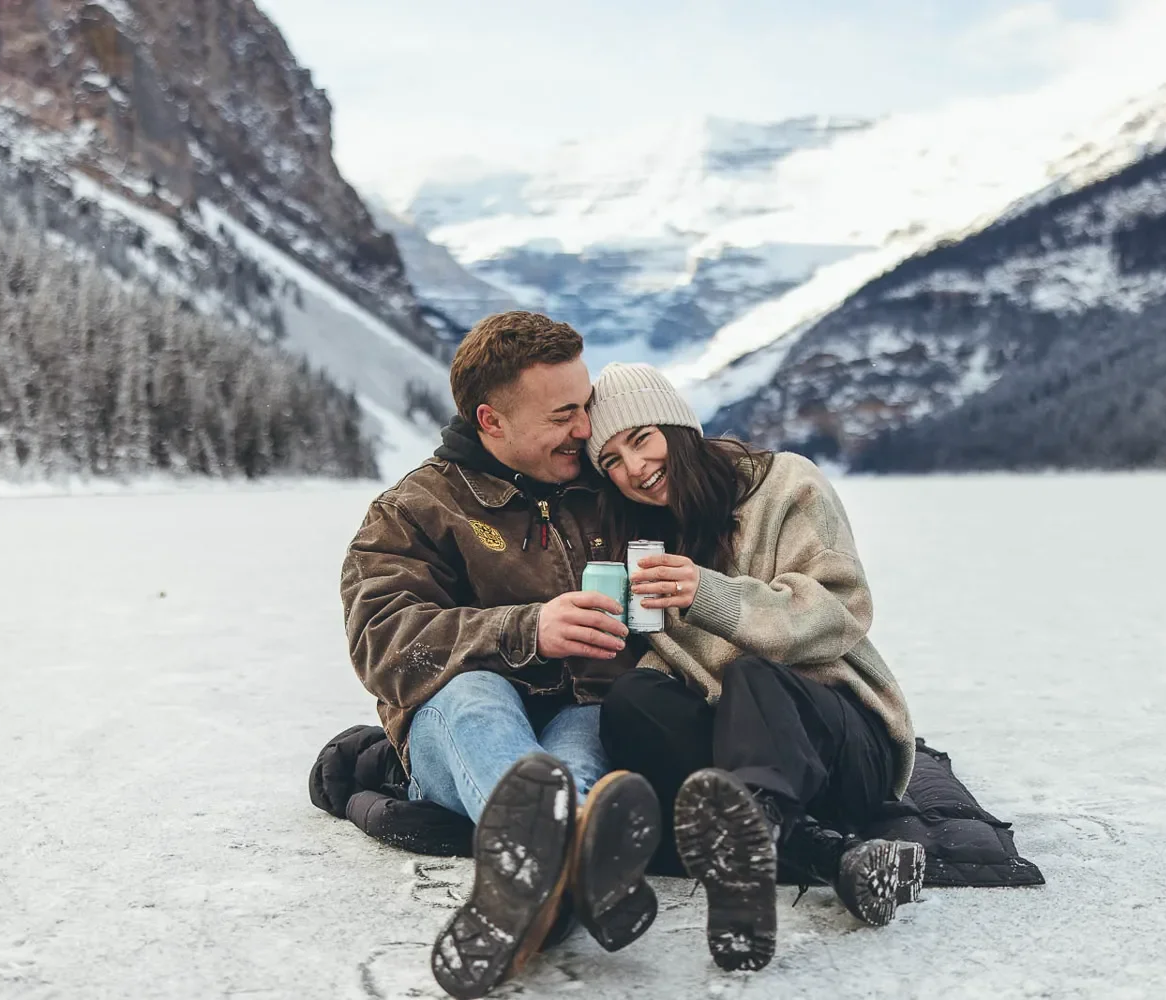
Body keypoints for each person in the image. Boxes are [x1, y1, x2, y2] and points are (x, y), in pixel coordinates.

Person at [341, 314, 661, 999]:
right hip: (455, 738)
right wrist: (526, 630)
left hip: (579, 705)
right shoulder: (413, 510)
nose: (586, 429)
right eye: (565, 414)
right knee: (474, 696)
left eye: (589, 407)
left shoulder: (609, 492)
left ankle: (541, 878)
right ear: (492, 421)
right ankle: (569, 864)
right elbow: (382, 639)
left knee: (586, 736)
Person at [587, 362, 925, 973]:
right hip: (741, 752)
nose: (633, 468)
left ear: (678, 427)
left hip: (843, 743)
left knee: (754, 674)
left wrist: (709, 594)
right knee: (635, 698)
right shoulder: (645, 543)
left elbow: (841, 609)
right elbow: (678, 674)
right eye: (610, 460)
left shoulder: (787, 483)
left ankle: (754, 834)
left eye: (640, 439)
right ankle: (808, 850)